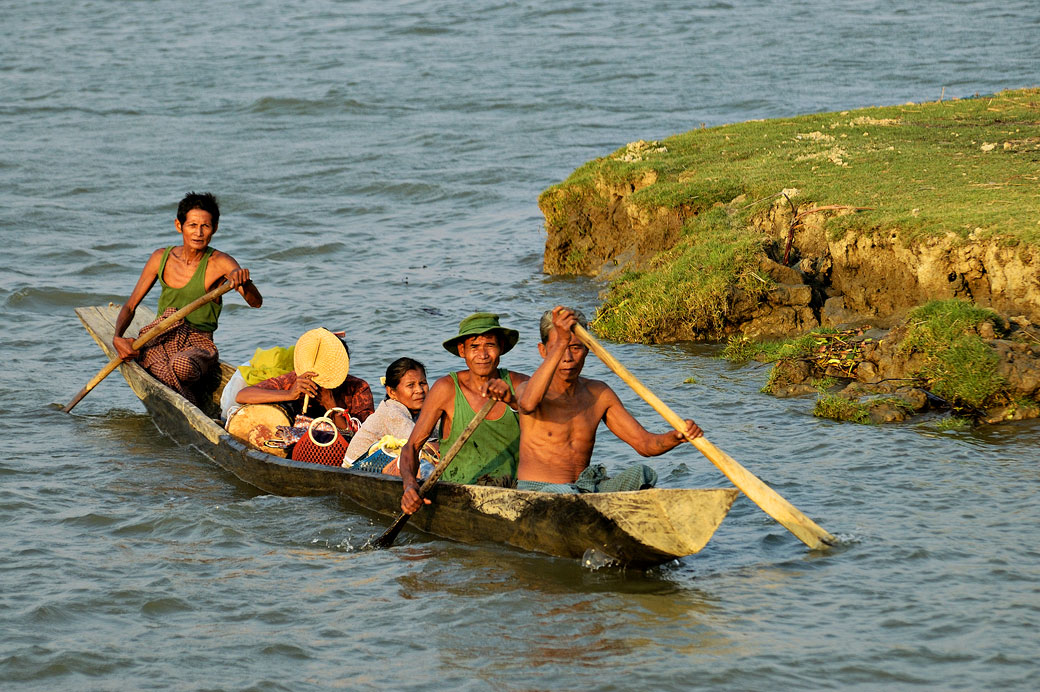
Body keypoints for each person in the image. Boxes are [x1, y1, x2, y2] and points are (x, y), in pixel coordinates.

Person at [513, 306, 702, 493]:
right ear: (543, 351)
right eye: (559, 348)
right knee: (566, 494)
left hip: (582, 490)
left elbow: (644, 444)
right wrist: (561, 340)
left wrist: (676, 437)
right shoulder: (528, 389)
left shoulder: (598, 393)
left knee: (642, 474)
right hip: (538, 490)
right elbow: (528, 404)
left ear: (587, 350)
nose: (568, 358)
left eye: (575, 347)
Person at [112, 191, 263, 405]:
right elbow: (130, 305)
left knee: (181, 366)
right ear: (178, 225)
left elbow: (255, 302)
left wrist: (245, 283)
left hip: (198, 343)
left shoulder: (221, 262)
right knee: (152, 359)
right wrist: (117, 337)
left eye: (206, 226)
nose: (199, 233)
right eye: (192, 225)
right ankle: (189, 399)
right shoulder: (160, 258)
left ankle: (186, 398)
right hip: (160, 336)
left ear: (215, 229)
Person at [398, 312, 530, 515]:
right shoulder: (446, 388)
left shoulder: (520, 384)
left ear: (501, 348)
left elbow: (549, 434)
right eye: (474, 347)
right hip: (460, 497)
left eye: (490, 345)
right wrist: (409, 485)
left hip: (512, 496)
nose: (483, 355)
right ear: (462, 350)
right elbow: (411, 447)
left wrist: (512, 401)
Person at [235, 328, 374, 432]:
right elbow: (243, 395)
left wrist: (330, 405)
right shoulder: (299, 380)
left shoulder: (358, 388)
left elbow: (361, 438)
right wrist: (290, 394)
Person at [345, 357, 431, 467]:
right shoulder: (392, 412)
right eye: (410, 385)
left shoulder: (416, 408)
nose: (419, 390)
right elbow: (418, 445)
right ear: (391, 392)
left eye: (422, 383)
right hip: (358, 469)